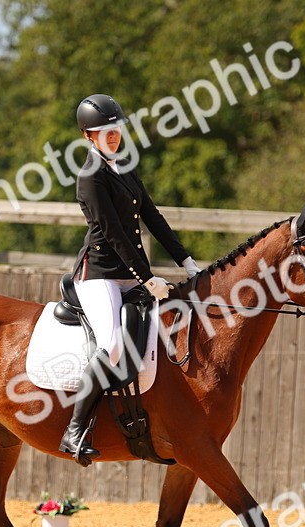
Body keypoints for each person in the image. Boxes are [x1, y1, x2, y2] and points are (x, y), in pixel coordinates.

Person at [59, 93, 202, 464]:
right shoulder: (90, 177)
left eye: (117, 129)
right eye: (105, 132)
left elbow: (153, 218)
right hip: (101, 276)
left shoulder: (124, 167)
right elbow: (112, 233)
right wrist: (148, 277)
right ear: (88, 136)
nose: (114, 136)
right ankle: (73, 432)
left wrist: (186, 260)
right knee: (114, 346)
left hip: (129, 274)